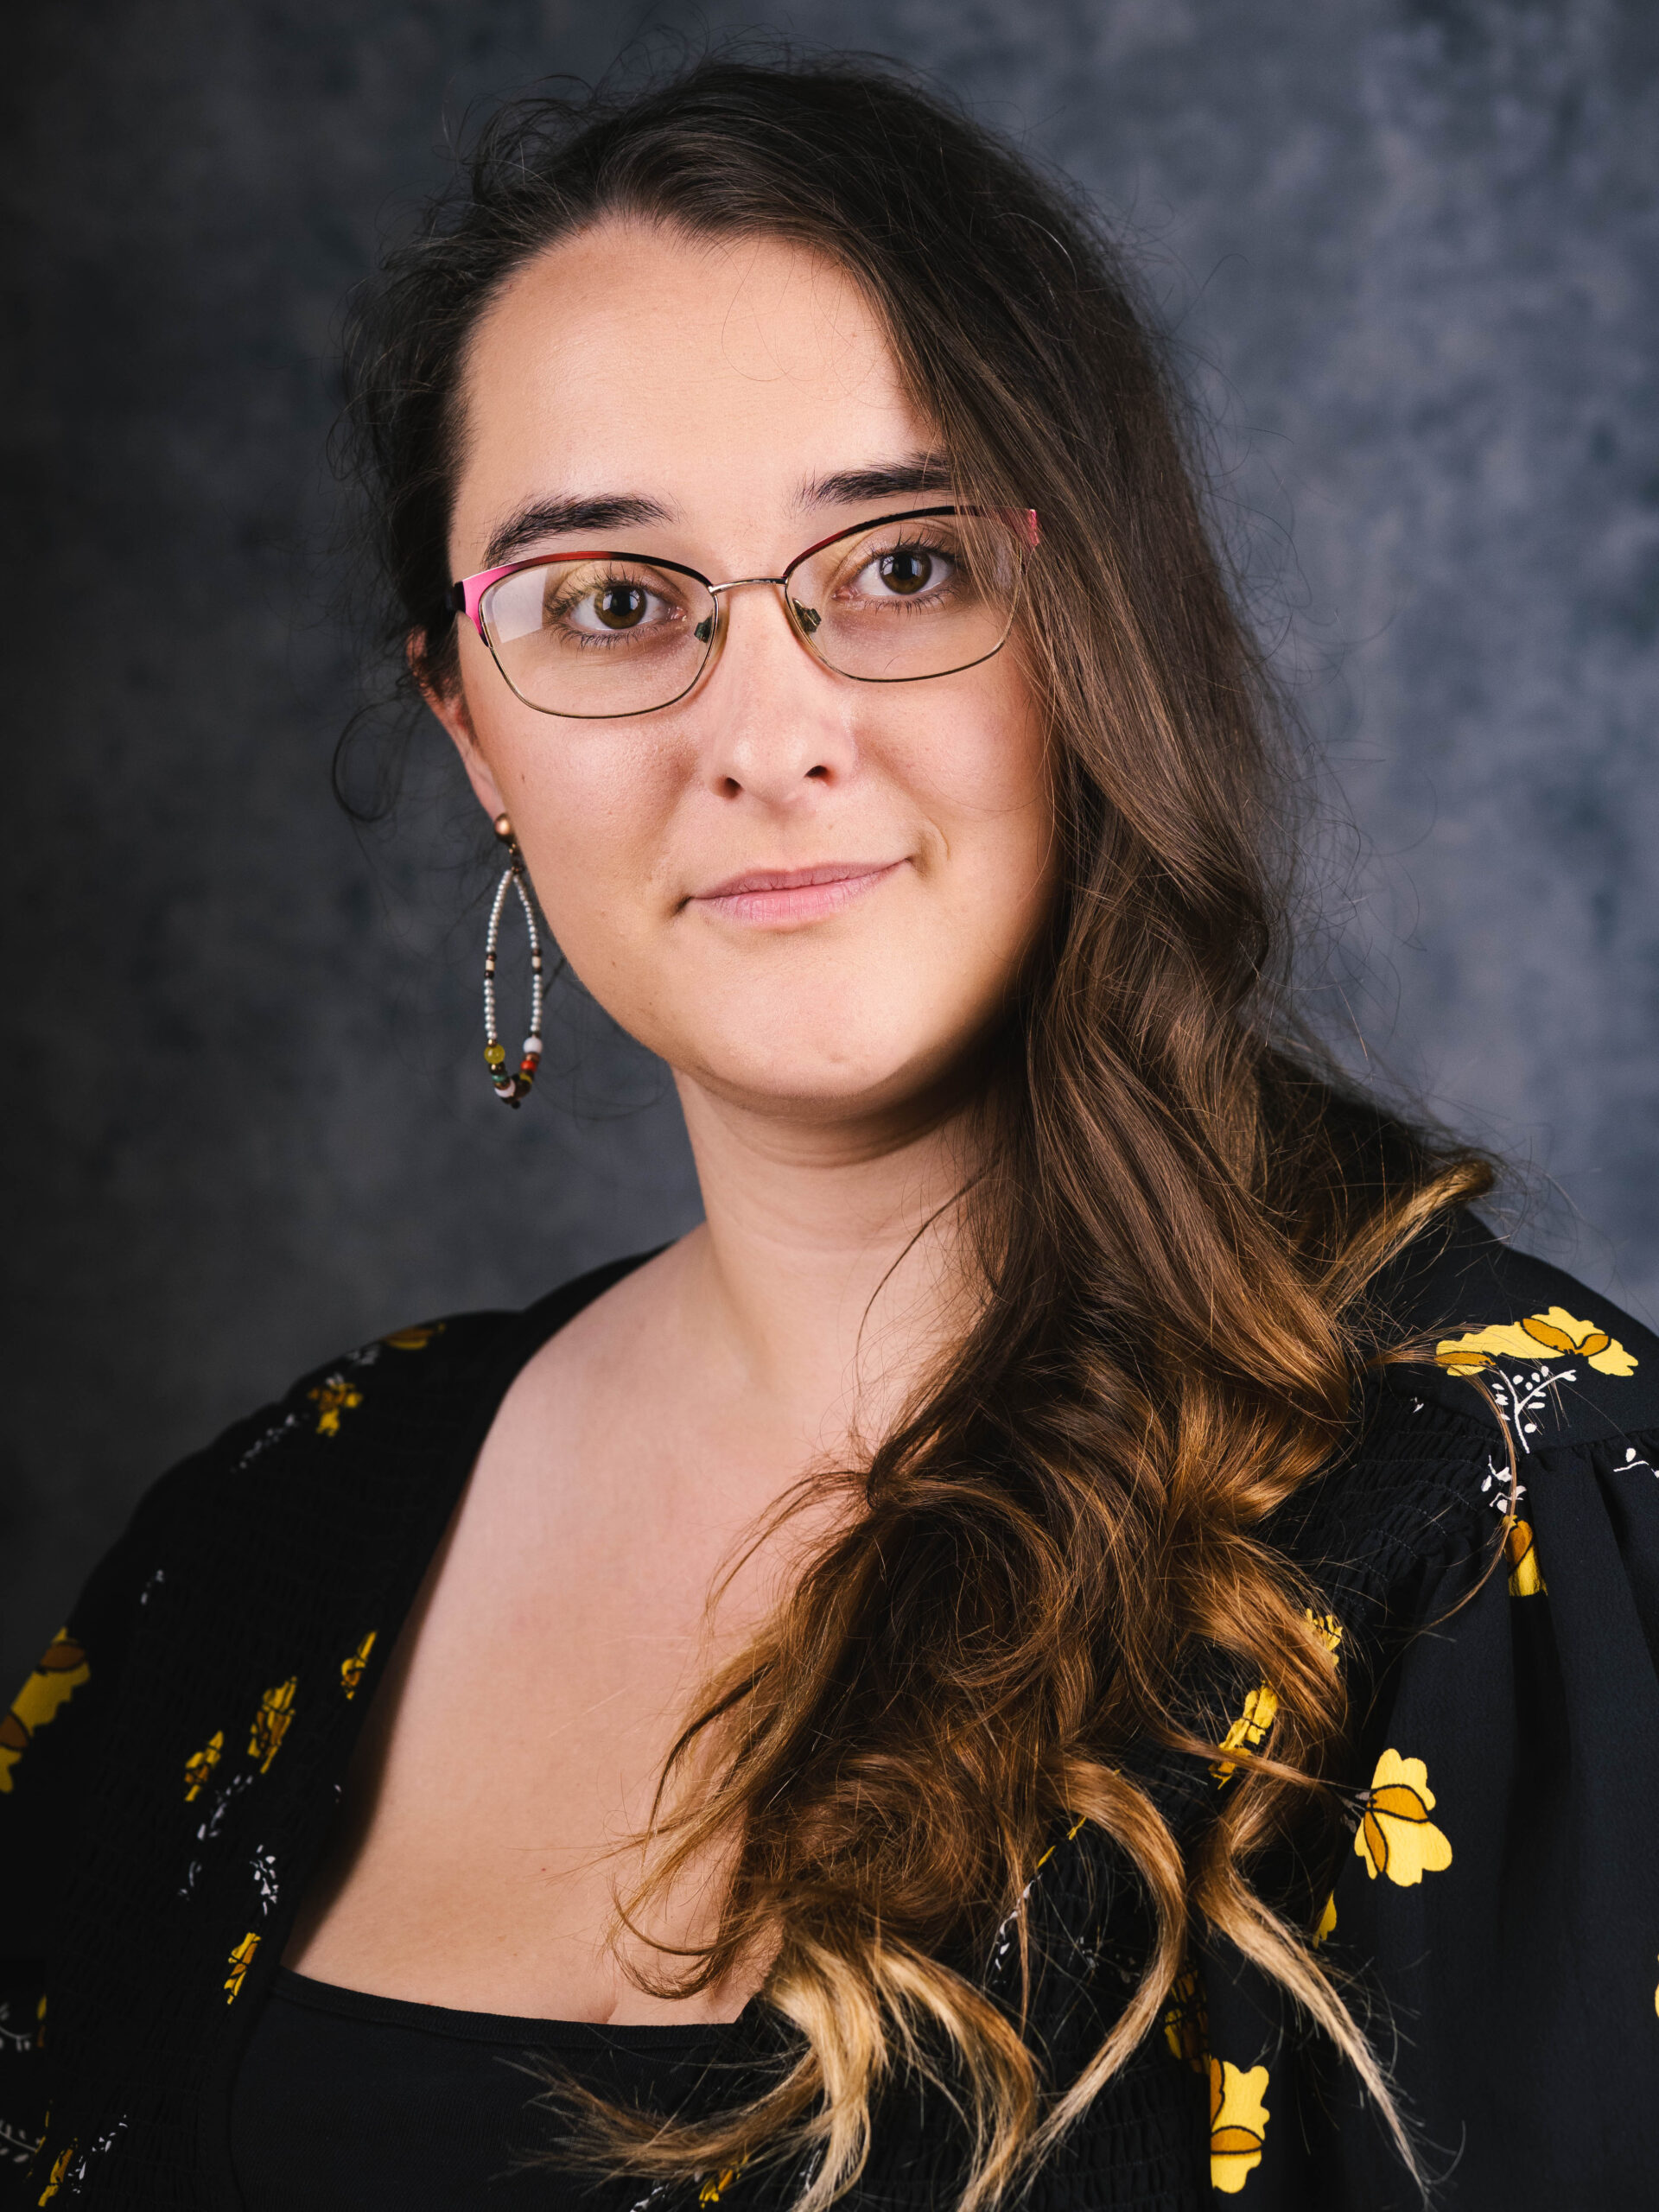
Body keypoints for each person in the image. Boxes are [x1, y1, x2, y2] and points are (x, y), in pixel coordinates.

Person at [3, 53, 1655, 2212]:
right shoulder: (265, 1537)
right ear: (470, 724)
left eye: (903, 566)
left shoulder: (1494, 1515)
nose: (766, 732)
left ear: (1091, 622)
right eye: (614, 602)